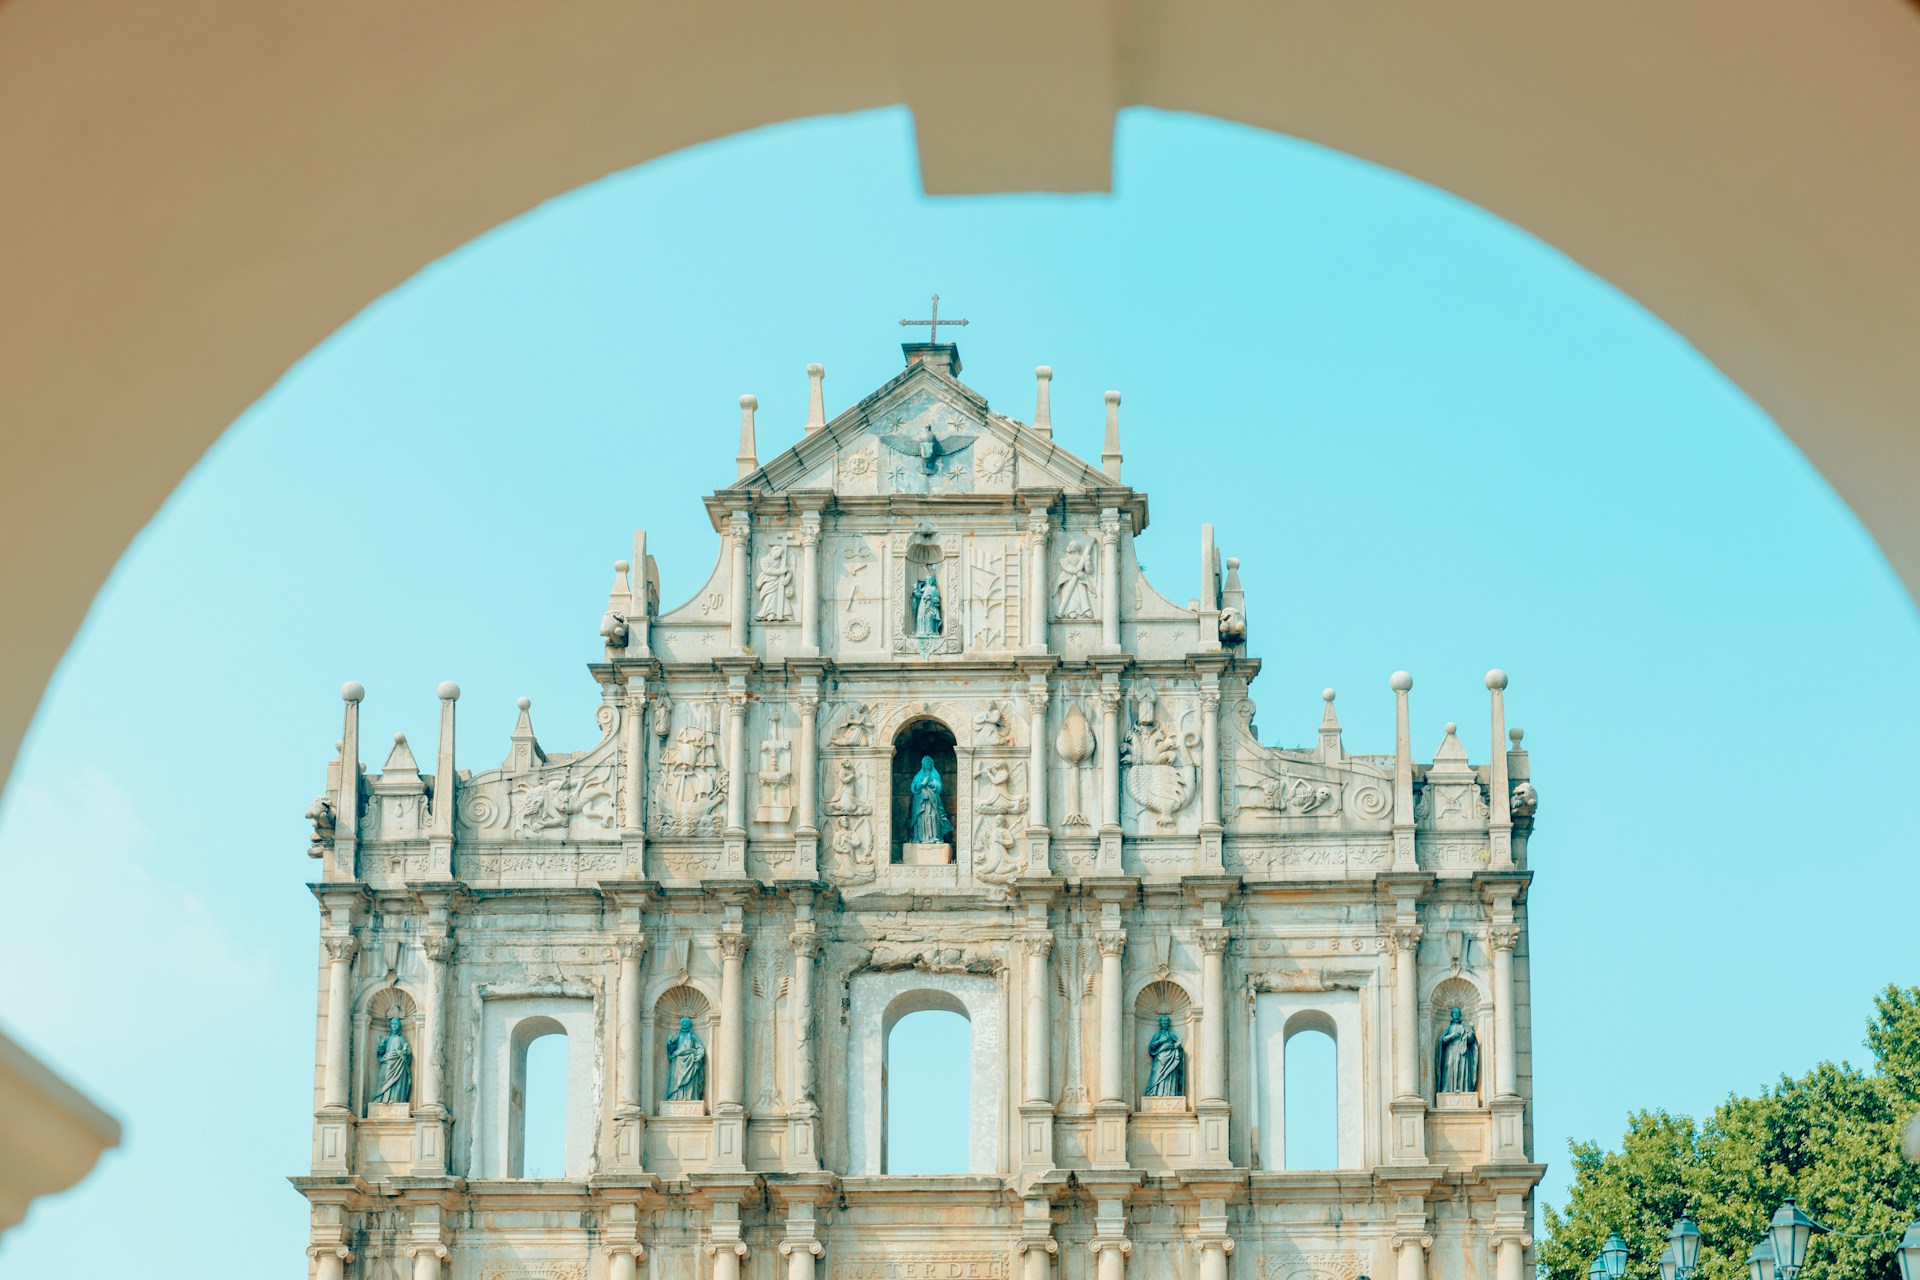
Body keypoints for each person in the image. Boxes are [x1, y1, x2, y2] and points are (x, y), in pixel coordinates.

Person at [1435, 1006, 1480, 1093]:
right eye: (1454, 1013)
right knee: (1449, 1071)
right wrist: (1452, 1036)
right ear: (1452, 1014)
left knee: (1462, 1071)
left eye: (1458, 1013)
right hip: (1451, 1053)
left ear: (1460, 1014)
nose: (1456, 1014)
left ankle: (1464, 1089)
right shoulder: (1449, 1028)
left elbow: (1470, 1040)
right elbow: (1442, 1041)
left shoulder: (1464, 1027)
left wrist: (1472, 1031)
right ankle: (1447, 1090)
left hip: (1463, 1053)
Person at [371, 1015, 412, 1106]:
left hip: (398, 1064)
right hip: (387, 1062)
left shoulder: (402, 1039)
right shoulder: (387, 1039)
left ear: (399, 1026)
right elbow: (380, 1052)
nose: (394, 1026)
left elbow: (408, 1053)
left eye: (396, 1024)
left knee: (397, 1083)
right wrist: (381, 1046)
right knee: (382, 1079)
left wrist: (405, 1051)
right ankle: (379, 1098)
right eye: (392, 1024)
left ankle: (395, 1099)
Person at [909, 756, 951, 843]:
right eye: (926, 763)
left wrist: (931, 784)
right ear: (923, 764)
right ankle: (920, 838)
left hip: (933, 802)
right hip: (920, 802)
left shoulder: (935, 775)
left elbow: (939, 786)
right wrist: (922, 784)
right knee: (921, 818)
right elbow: (914, 787)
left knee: (933, 816)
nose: (928, 764)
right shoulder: (919, 775)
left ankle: (935, 837)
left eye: (929, 763)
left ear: (932, 764)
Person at [665, 1015, 706, 1102]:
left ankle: (689, 1097)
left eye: (686, 1023)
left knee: (690, 1078)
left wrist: (699, 1055)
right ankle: (676, 1096)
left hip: (690, 1059)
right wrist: (669, 1043)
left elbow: (700, 1047)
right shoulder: (678, 1036)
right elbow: (672, 1048)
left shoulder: (692, 1036)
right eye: (683, 1023)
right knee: (676, 1079)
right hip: (678, 1060)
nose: (684, 1024)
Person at [1145, 1014, 1185, 1097]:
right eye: (1163, 1021)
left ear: (1168, 1023)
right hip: (1160, 1057)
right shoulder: (1157, 1035)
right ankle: (1155, 1092)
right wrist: (1161, 1041)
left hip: (1171, 1057)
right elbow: (1152, 1046)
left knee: (1169, 1074)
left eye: (1166, 1021)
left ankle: (1170, 1093)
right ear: (1160, 1022)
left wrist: (1178, 1047)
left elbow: (1178, 1045)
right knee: (1157, 1074)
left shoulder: (1171, 1034)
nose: (1164, 1022)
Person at [910, 569, 942, 637]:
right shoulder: (924, 588)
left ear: (933, 580)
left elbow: (937, 600)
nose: (929, 581)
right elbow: (919, 595)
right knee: (920, 618)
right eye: (927, 580)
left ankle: (930, 632)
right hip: (922, 606)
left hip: (931, 607)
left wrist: (933, 600)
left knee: (929, 618)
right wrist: (915, 589)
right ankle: (920, 632)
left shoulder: (934, 589)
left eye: (930, 579)